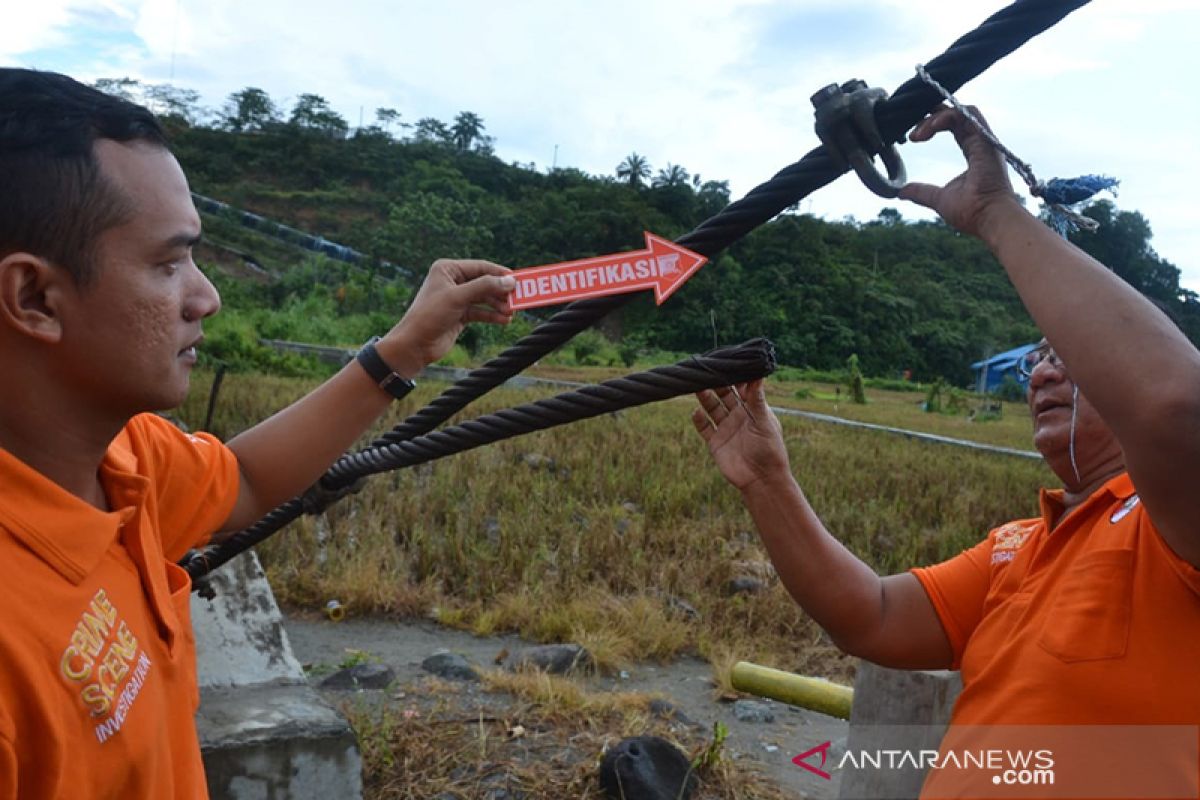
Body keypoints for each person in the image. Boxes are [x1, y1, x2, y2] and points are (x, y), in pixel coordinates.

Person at [0, 68, 516, 798]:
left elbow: (242, 480)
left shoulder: (122, 459)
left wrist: (401, 349)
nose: (205, 296)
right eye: (169, 263)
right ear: (34, 297)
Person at [694, 106, 1200, 793]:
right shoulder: (1015, 549)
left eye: (1067, 358)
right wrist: (766, 478)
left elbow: (1178, 409)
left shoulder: (1175, 533)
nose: (1043, 373)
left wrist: (996, 214)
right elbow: (868, 615)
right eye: (1035, 362)